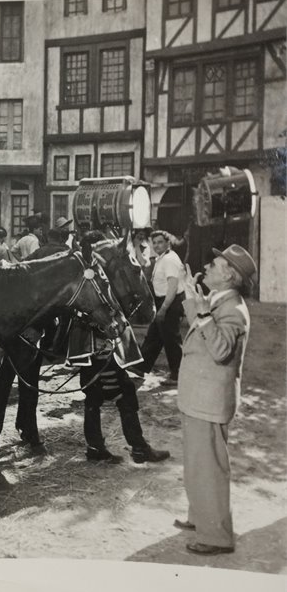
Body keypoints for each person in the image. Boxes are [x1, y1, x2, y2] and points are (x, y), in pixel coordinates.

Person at [175, 244, 256, 555]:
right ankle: (201, 517)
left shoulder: (233, 310)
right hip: (199, 396)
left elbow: (220, 350)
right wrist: (189, 294)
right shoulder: (219, 300)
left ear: (230, 275)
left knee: (209, 467)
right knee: (198, 463)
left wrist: (204, 310)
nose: (206, 266)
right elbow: (199, 319)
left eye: (215, 264)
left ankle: (217, 537)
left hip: (209, 400)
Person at [79, 231, 170, 465]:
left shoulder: (86, 272)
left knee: (94, 395)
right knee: (125, 392)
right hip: (101, 346)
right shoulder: (93, 277)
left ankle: (96, 447)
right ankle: (137, 447)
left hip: (87, 346)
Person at [139, 229, 186, 383]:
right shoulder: (162, 258)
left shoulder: (169, 260)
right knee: (154, 336)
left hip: (170, 302)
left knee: (171, 339)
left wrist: (163, 309)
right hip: (163, 301)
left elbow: (172, 287)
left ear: (168, 243)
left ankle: (177, 374)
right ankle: (140, 367)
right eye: (154, 243)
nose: (157, 245)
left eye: (160, 242)